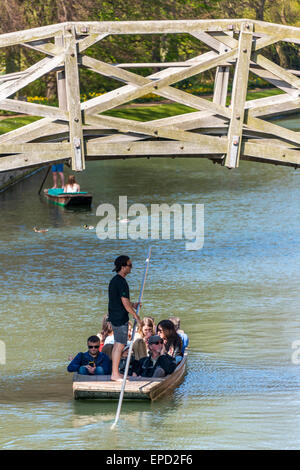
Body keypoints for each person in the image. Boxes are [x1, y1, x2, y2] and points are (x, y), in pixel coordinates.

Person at [108, 255, 141, 382]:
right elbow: (124, 303)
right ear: (123, 267)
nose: (131, 267)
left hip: (114, 315)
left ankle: (115, 373)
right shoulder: (121, 282)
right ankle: (115, 374)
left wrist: (133, 305)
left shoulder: (115, 280)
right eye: (129, 265)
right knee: (120, 345)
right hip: (120, 317)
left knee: (118, 344)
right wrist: (136, 316)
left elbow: (121, 301)